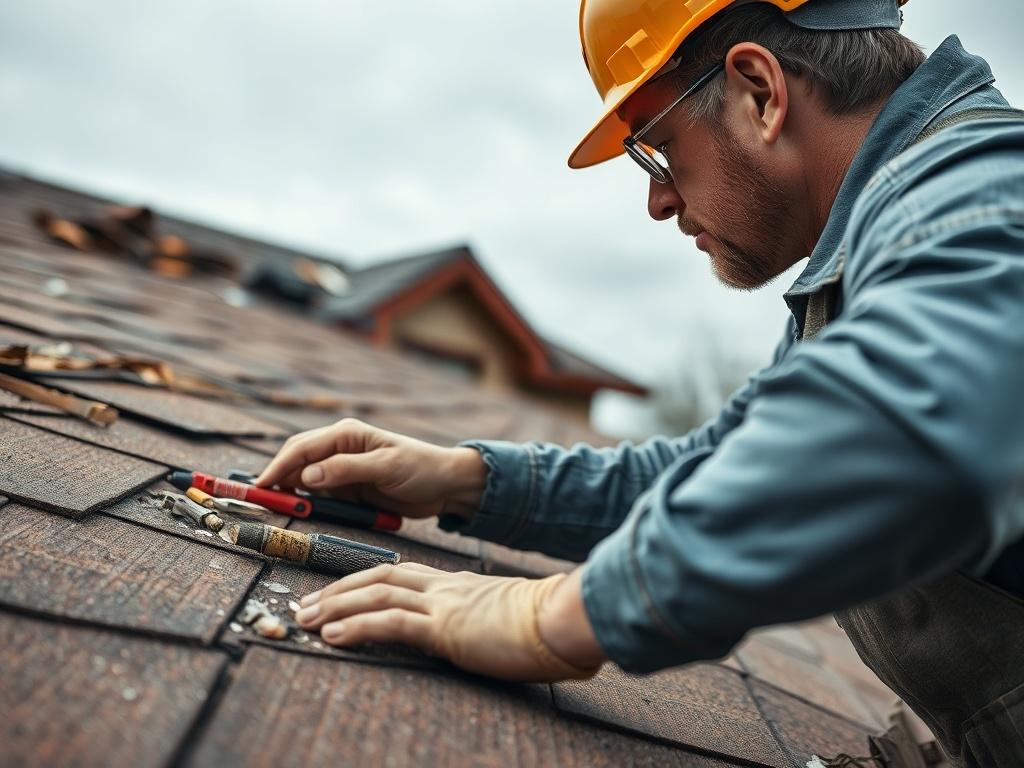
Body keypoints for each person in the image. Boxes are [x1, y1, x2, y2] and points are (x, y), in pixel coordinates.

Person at [257, 0, 1024, 762]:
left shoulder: (981, 191)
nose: (658, 201)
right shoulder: (887, 251)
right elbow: (721, 472)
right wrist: (464, 481)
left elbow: (897, 439)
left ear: (760, 92)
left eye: (658, 150)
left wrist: (557, 619)